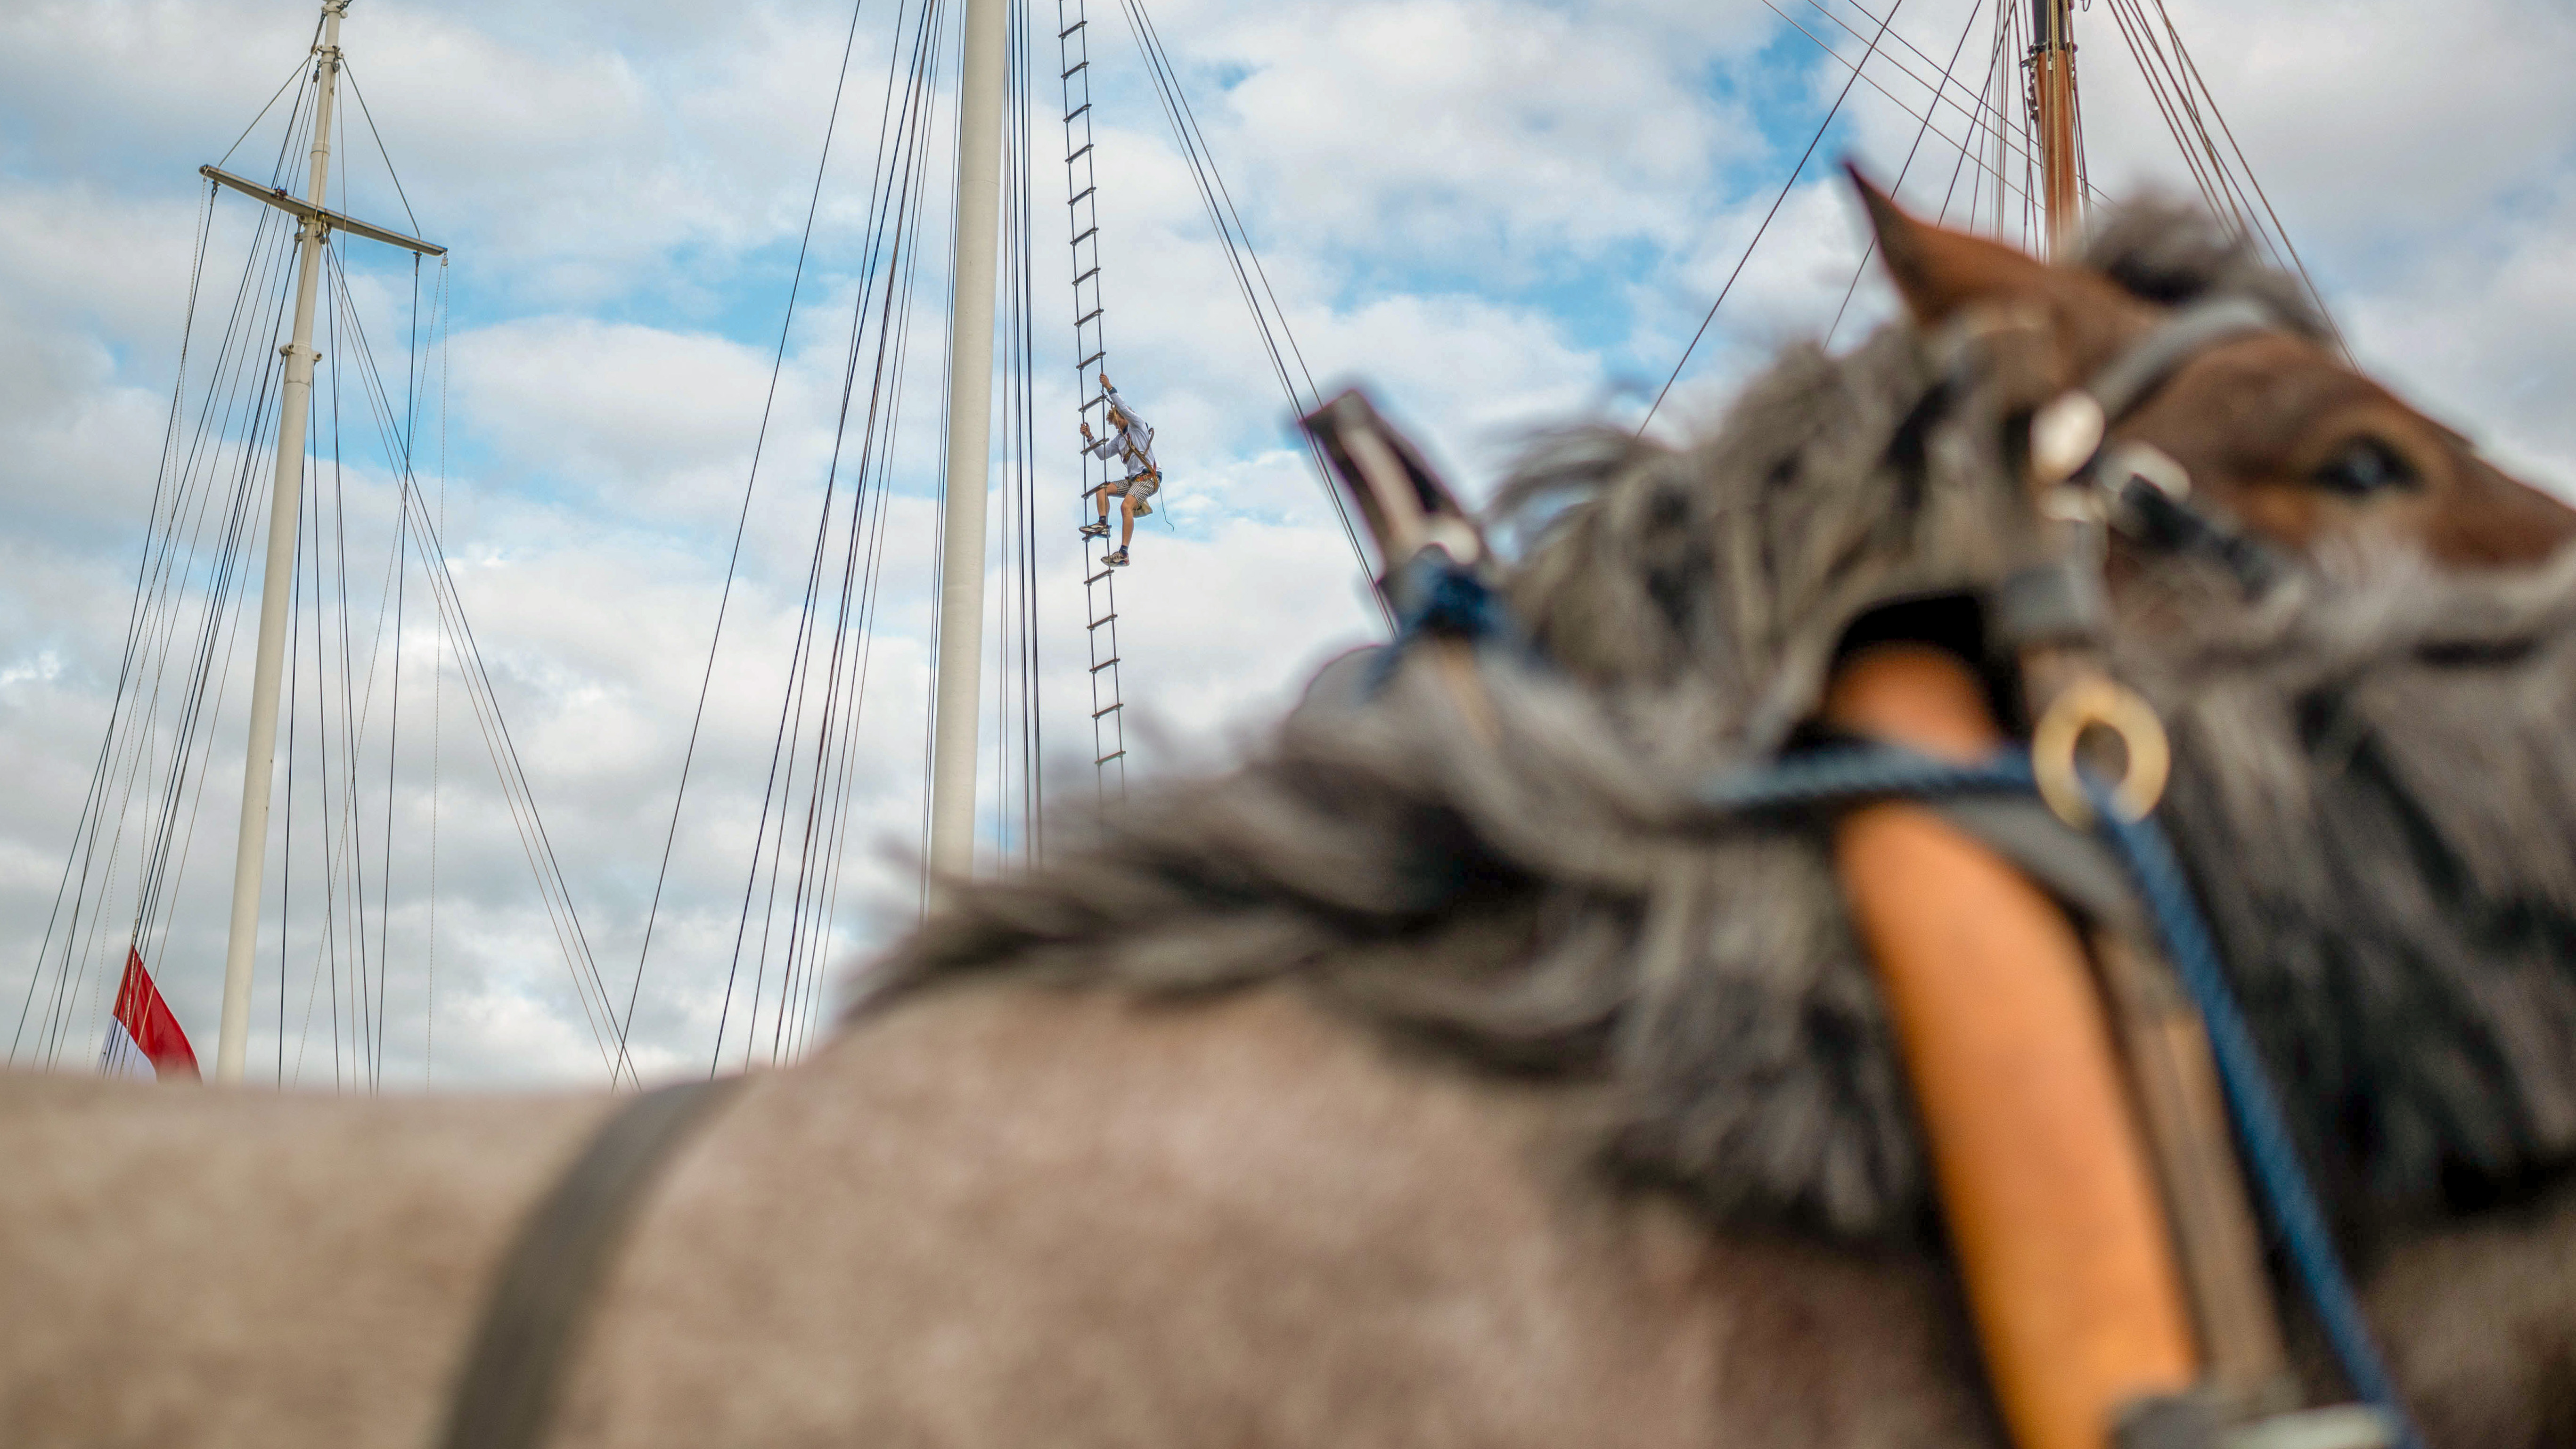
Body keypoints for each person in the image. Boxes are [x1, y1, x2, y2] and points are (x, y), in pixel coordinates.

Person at [1078, 373, 1159, 567]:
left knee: (1125, 507)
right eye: (1114, 425)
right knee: (1102, 490)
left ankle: (1124, 553)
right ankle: (1103, 524)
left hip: (1148, 478)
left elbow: (1122, 407)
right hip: (1134, 481)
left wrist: (1109, 386)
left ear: (1125, 418)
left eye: (1117, 422)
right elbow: (1103, 454)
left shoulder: (1137, 425)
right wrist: (1090, 437)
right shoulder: (1120, 439)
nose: (1116, 427)